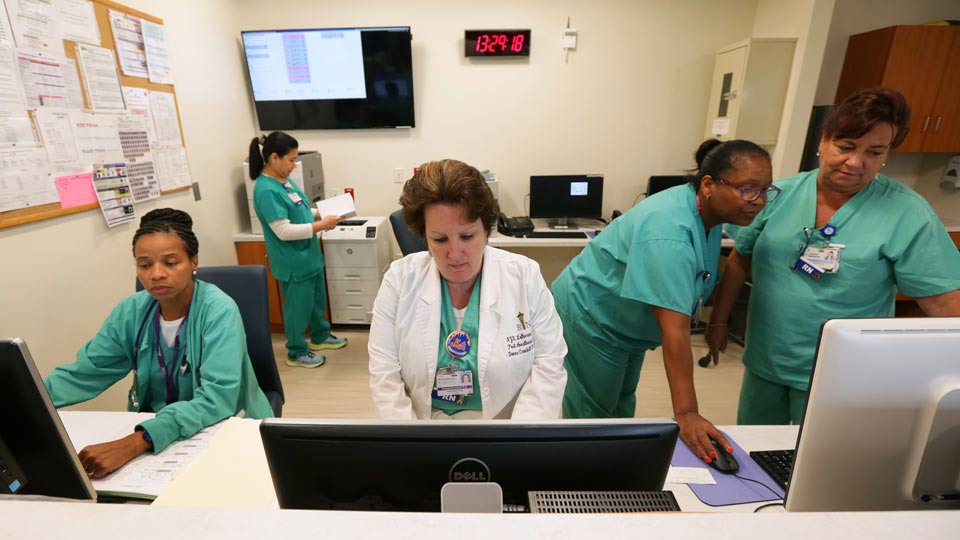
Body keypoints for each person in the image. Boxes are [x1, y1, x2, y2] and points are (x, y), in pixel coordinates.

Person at [706, 88, 960, 425]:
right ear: (824, 141)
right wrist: (719, 321)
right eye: (846, 147)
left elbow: (944, 304)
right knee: (757, 458)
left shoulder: (907, 213)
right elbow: (741, 258)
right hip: (767, 361)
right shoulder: (780, 194)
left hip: (843, 375)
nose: (856, 162)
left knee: (817, 468)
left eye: (875, 152)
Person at [553, 139, 775, 462]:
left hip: (627, 323)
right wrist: (686, 413)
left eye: (766, 190)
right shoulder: (668, 229)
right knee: (593, 413)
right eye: (749, 189)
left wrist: (717, 322)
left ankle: (613, 466)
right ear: (709, 185)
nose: (759, 201)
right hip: (592, 315)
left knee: (621, 402)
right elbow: (675, 329)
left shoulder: (708, 217)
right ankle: (585, 480)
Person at [44, 209, 274, 478]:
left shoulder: (218, 310)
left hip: (225, 426)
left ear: (193, 262)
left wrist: (136, 441)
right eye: (144, 265)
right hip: (160, 435)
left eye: (171, 262)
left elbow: (217, 399)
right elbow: (85, 372)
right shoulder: (131, 312)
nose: (156, 274)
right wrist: (28, 399)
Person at [368, 159, 568, 420]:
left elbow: (549, 364)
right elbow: (385, 374)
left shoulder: (524, 277)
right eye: (439, 239)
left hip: (505, 427)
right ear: (423, 235)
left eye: (467, 236)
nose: (455, 253)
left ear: (486, 230)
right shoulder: (399, 281)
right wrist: (410, 443)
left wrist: (519, 441)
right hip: (423, 429)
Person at [249, 132, 347, 368]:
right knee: (297, 309)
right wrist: (322, 225)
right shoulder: (266, 190)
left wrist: (324, 213)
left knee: (315, 302)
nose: (294, 165)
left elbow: (300, 211)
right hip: (292, 261)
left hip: (309, 257)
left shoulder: (284, 181)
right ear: (274, 157)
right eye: (291, 160)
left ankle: (320, 336)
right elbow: (283, 231)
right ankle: (296, 351)